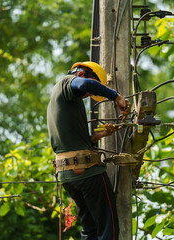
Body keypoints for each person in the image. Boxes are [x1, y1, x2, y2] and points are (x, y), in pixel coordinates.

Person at [47, 61, 131, 240]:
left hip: (68, 175)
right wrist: (116, 96)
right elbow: (85, 84)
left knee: (90, 229)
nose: (86, 95)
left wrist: (101, 135)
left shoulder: (62, 101)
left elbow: (80, 142)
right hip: (87, 172)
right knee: (108, 228)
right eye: (89, 93)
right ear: (82, 73)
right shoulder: (68, 82)